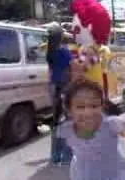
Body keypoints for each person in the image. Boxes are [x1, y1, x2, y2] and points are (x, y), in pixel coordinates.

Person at [46, 25, 73, 164]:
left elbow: (51, 71)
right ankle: (67, 157)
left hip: (53, 87)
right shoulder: (64, 51)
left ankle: (55, 156)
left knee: (56, 122)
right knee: (68, 122)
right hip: (64, 88)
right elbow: (70, 70)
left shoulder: (49, 51)